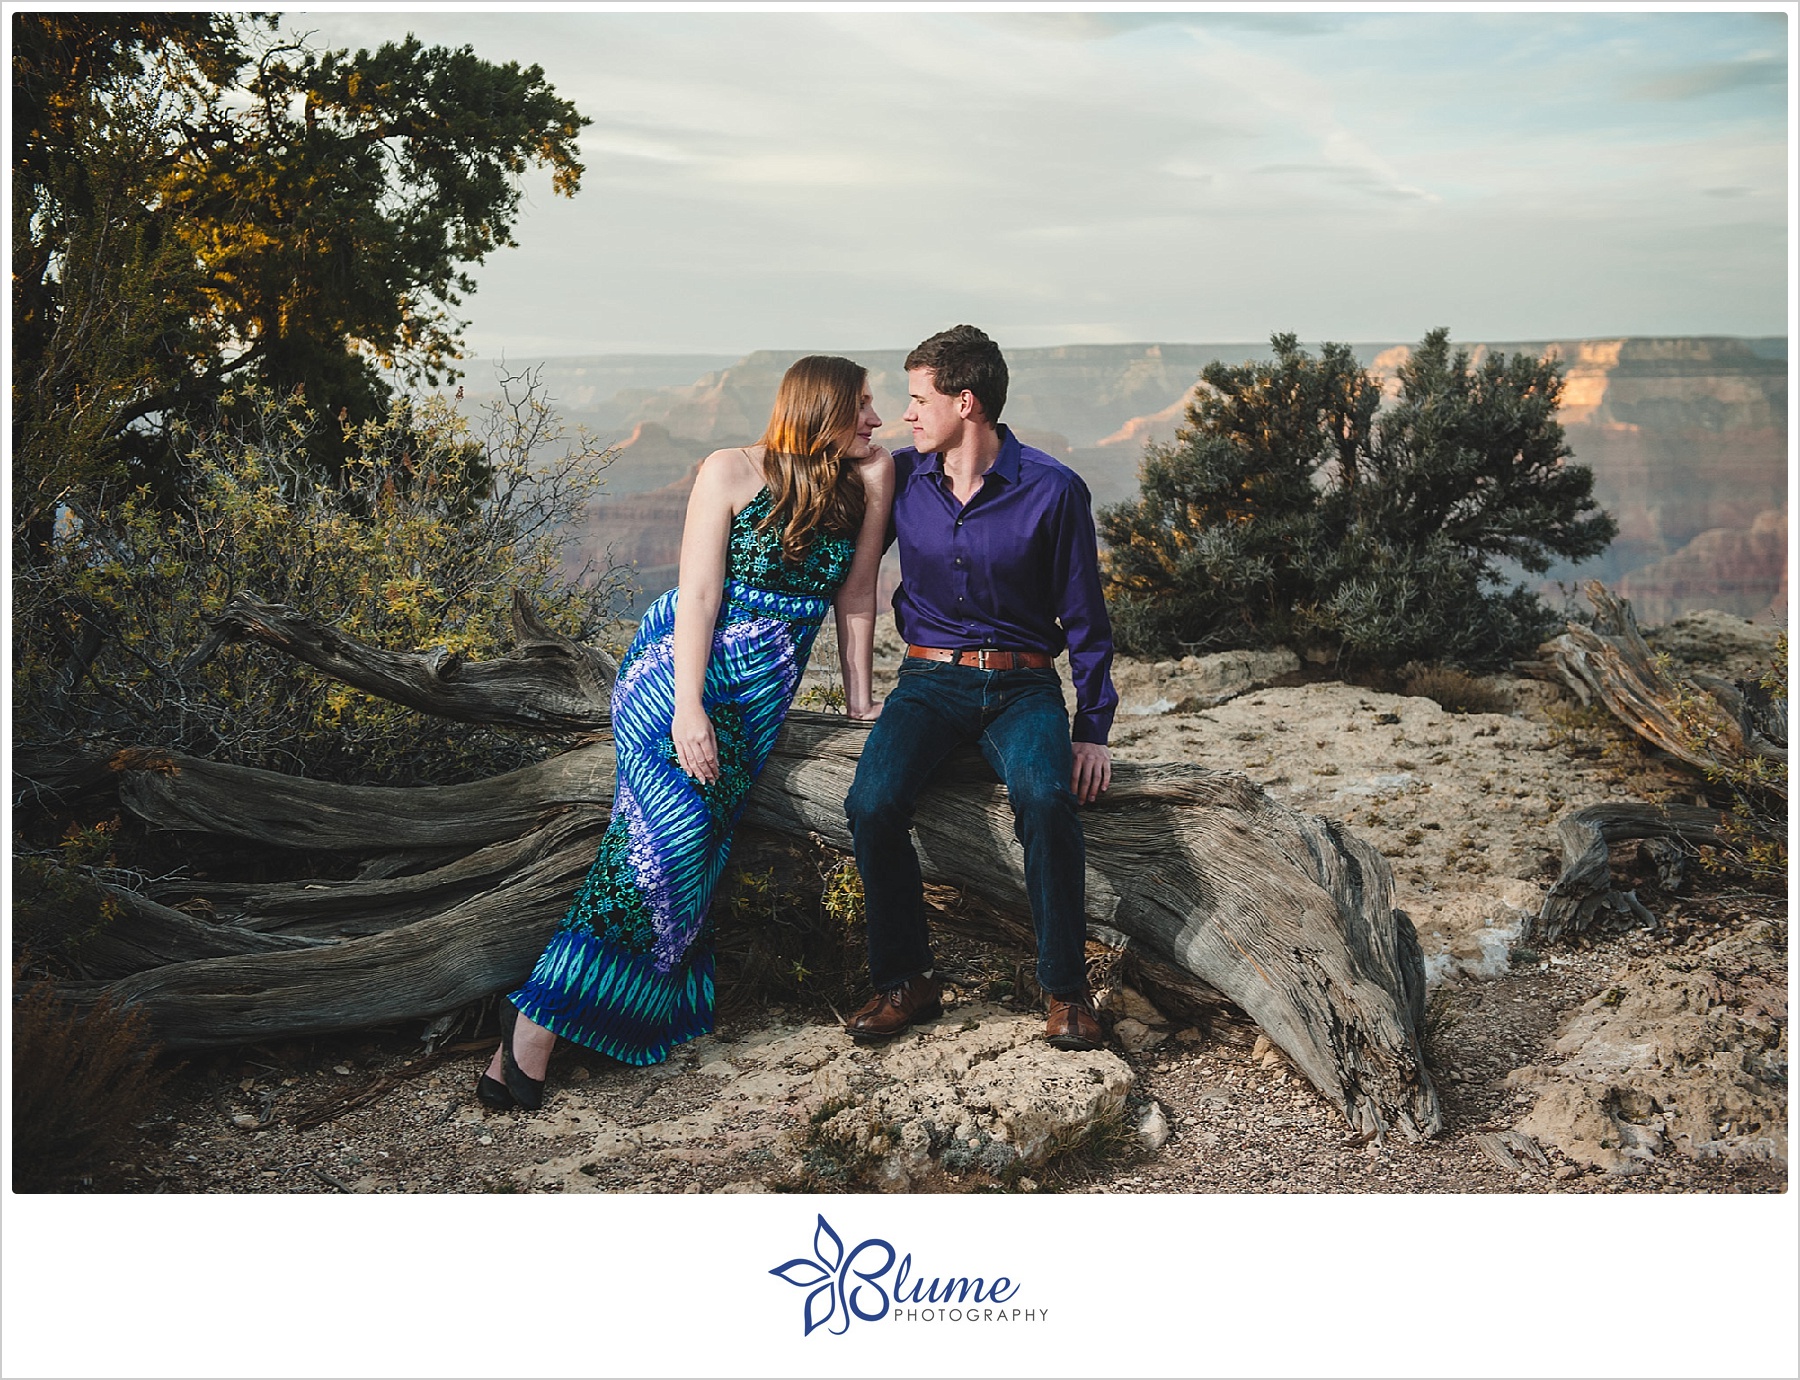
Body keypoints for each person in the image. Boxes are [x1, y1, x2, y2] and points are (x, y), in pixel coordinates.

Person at [481, 356, 893, 1110]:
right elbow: (700, 595)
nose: (876, 419)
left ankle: (552, 1008)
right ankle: (536, 1023)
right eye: (862, 406)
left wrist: (860, 707)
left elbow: (858, 599)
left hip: (759, 702)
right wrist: (687, 708)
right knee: (657, 845)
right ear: (819, 410)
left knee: (690, 857)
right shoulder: (729, 469)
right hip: (676, 677)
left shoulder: (870, 477)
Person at [843, 325, 1118, 1052]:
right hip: (928, 682)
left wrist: (1093, 728)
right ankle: (907, 982)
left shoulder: (1053, 490)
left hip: (1022, 687)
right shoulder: (901, 477)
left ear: (965, 403)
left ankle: (1064, 992)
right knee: (870, 803)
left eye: (917, 399)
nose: (907, 415)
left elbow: (1086, 619)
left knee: (1047, 798)